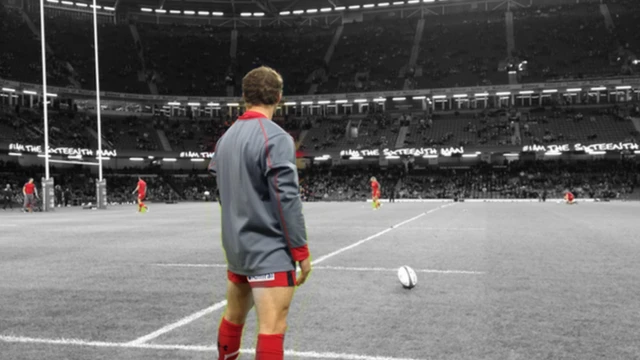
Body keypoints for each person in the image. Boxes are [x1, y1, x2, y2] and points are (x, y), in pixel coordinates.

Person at [208, 66, 311, 360]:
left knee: (234, 316)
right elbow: (286, 197)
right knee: (272, 327)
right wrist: (300, 250)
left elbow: (223, 195)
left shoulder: (224, 140)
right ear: (279, 97)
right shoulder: (276, 137)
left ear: (244, 97)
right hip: (269, 249)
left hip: (237, 249)